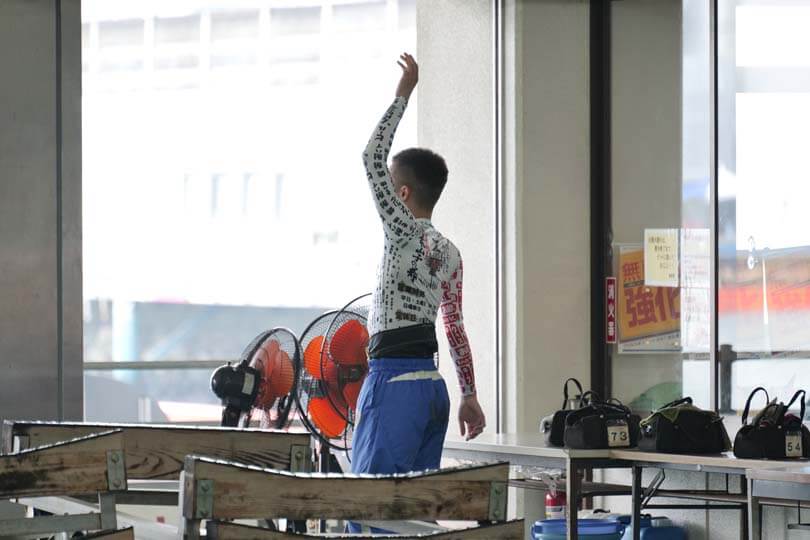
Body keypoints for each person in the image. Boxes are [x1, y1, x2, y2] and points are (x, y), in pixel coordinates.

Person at [351, 53, 487, 483]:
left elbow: (372, 157)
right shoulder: (450, 253)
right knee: (417, 508)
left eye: (392, 188)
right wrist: (469, 395)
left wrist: (402, 94)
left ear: (403, 194)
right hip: (432, 388)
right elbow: (455, 329)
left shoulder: (401, 230)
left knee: (368, 506)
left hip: (392, 384)